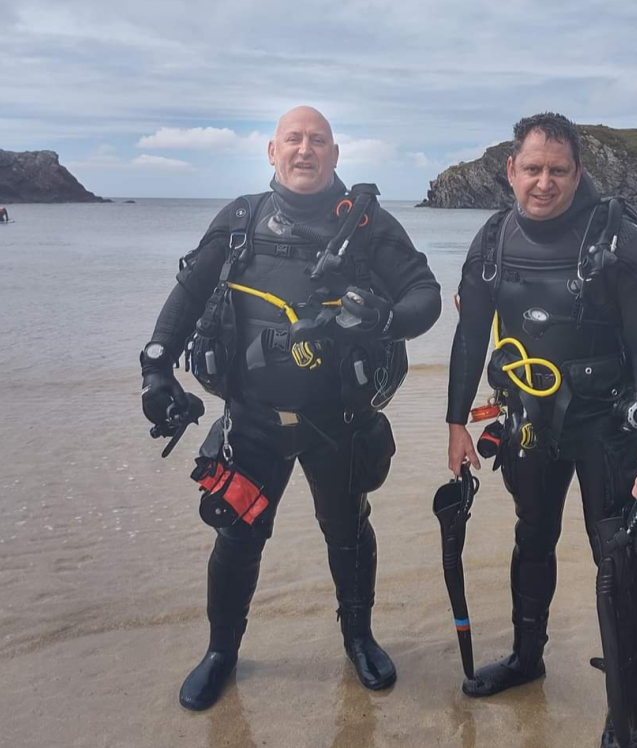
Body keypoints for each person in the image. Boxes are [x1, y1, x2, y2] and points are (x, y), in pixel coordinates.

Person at [141, 106, 441, 711]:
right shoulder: (241, 219)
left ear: (335, 154)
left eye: (319, 141)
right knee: (237, 536)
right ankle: (222, 651)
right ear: (272, 151)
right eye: (294, 140)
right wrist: (154, 367)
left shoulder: (367, 224)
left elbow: (425, 295)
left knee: (348, 533)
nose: (306, 150)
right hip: (252, 421)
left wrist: (386, 317)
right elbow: (189, 292)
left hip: (339, 422)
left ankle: (358, 638)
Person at [446, 112, 637, 748]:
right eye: (531, 168)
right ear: (510, 171)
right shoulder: (492, 239)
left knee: (616, 557)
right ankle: (526, 658)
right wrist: (455, 420)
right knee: (530, 537)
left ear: (577, 172)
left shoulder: (618, 241)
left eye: (557, 169)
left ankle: (628, 700)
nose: (543, 182)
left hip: (606, 429)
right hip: (527, 425)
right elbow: (469, 336)